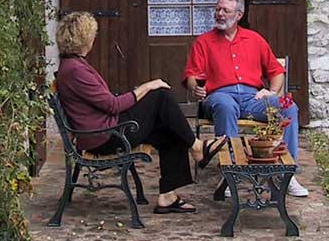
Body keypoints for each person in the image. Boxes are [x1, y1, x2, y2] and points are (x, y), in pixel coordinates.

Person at [56, 11, 226, 214]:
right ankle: (197, 146)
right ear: (84, 39)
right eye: (92, 34)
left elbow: (105, 103)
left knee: (169, 129)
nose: (94, 38)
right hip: (106, 136)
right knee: (161, 94)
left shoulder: (73, 65)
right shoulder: (75, 70)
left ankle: (167, 196)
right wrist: (146, 87)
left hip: (106, 129)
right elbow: (112, 105)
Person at [182, 0, 309, 198]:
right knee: (225, 105)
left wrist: (271, 91)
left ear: (239, 14)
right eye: (218, 9)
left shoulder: (254, 39)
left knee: (289, 108)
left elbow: (276, 72)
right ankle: (230, 171)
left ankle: (286, 172)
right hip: (219, 95)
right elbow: (191, 76)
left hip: (253, 99)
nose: (220, 14)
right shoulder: (203, 42)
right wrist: (195, 87)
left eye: (226, 10)